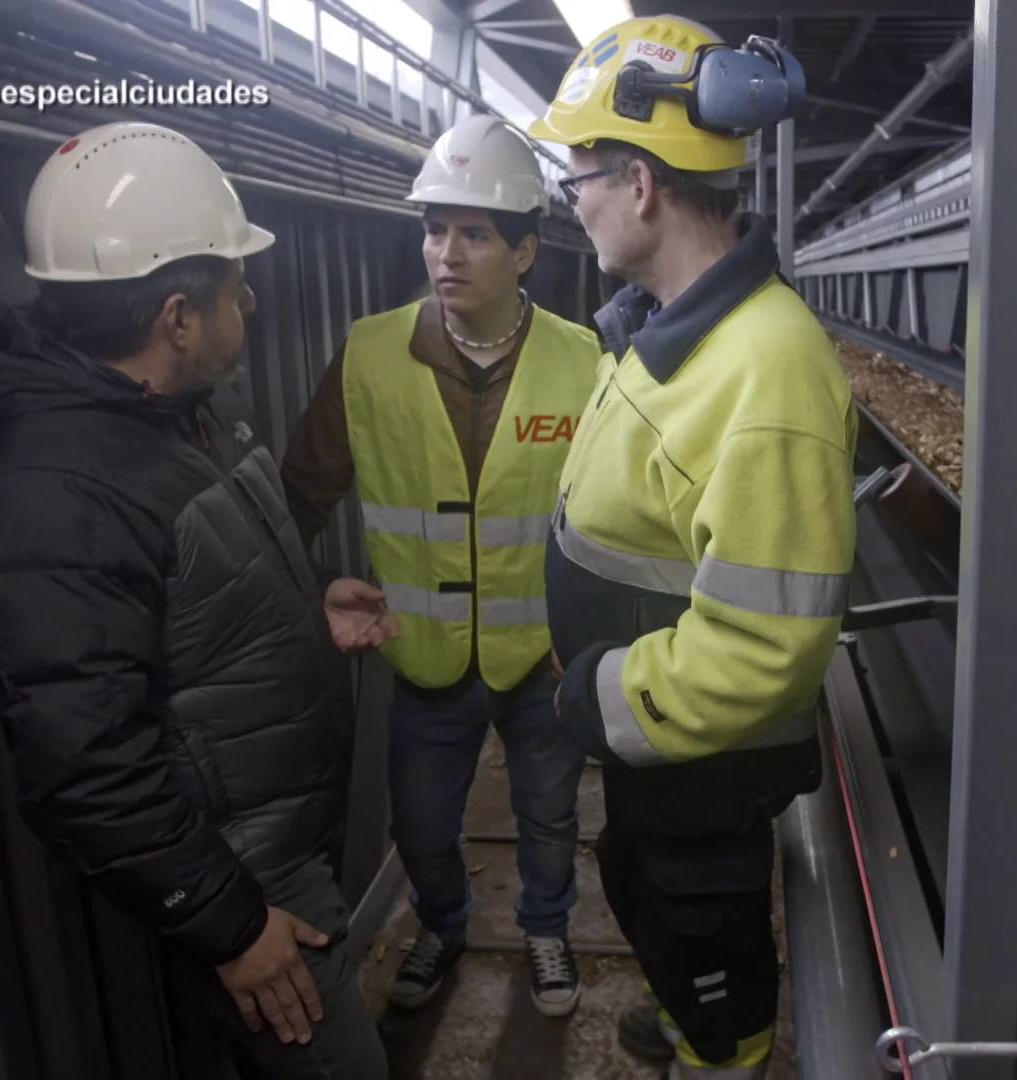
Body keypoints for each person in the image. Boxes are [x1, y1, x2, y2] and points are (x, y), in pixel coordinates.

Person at [0, 121, 388, 1079]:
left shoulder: (172, 414)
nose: (253, 300)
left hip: (276, 845)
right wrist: (231, 928)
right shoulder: (45, 498)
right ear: (177, 316)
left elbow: (180, 605)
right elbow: (83, 764)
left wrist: (305, 611)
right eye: (236, 287)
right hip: (242, 883)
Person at [525, 16, 853, 1080]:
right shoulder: (670, 327)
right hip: (655, 744)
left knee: (706, 937)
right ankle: (682, 1014)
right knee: (647, 891)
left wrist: (599, 696)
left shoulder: (767, 373)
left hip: (697, 751)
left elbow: (765, 649)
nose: (571, 205)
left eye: (579, 180)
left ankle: (722, 1050)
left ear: (640, 183)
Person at [280, 114, 601, 1018]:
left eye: (474, 233)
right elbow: (299, 497)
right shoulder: (370, 355)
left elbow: (619, 521)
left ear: (527, 251)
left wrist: (590, 639)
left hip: (541, 658)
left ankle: (546, 929)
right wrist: (290, 604)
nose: (446, 252)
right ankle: (445, 924)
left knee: (548, 816)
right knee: (421, 825)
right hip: (422, 655)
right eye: (433, 229)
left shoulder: (585, 365)